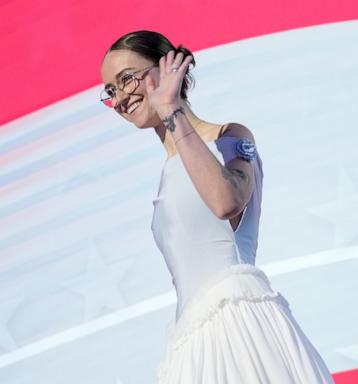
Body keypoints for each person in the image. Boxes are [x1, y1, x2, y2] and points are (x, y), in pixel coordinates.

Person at [100, 30, 335, 384]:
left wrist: (172, 111)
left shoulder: (228, 137)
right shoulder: (167, 172)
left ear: (165, 68)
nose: (119, 99)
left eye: (127, 80)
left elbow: (226, 201)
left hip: (240, 330)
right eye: (111, 91)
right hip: (192, 343)